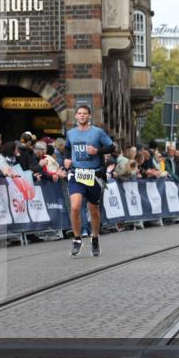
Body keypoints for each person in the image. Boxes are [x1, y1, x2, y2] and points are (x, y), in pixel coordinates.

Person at [63, 104, 114, 258]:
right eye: (79, 113)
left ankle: (95, 238)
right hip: (76, 174)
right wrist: (66, 159)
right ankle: (77, 239)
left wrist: (98, 151)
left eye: (85, 113)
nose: (82, 115)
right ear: (76, 116)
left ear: (89, 116)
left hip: (93, 175)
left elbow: (111, 147)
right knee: (75, 207)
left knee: (93, 210)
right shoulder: (70, 133)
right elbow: (67, 148)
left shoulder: (97, 132)